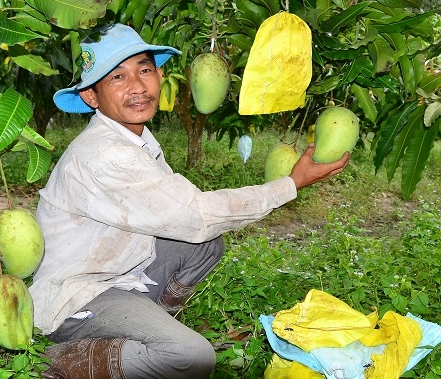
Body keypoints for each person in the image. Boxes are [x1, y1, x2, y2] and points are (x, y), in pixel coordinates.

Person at [30, 23, 349, 379]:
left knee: (203, 245)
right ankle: (53, 362)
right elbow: (197, 214)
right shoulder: (105, 154)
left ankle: (146, 327)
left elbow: (186, 217)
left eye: (144, 70)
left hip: (123, 276)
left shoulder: (136, 139)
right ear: (91, 95)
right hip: (76, 297)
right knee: (190, 356)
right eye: (117, 77)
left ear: (159, 75)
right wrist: (292, 183)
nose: (137, 86)